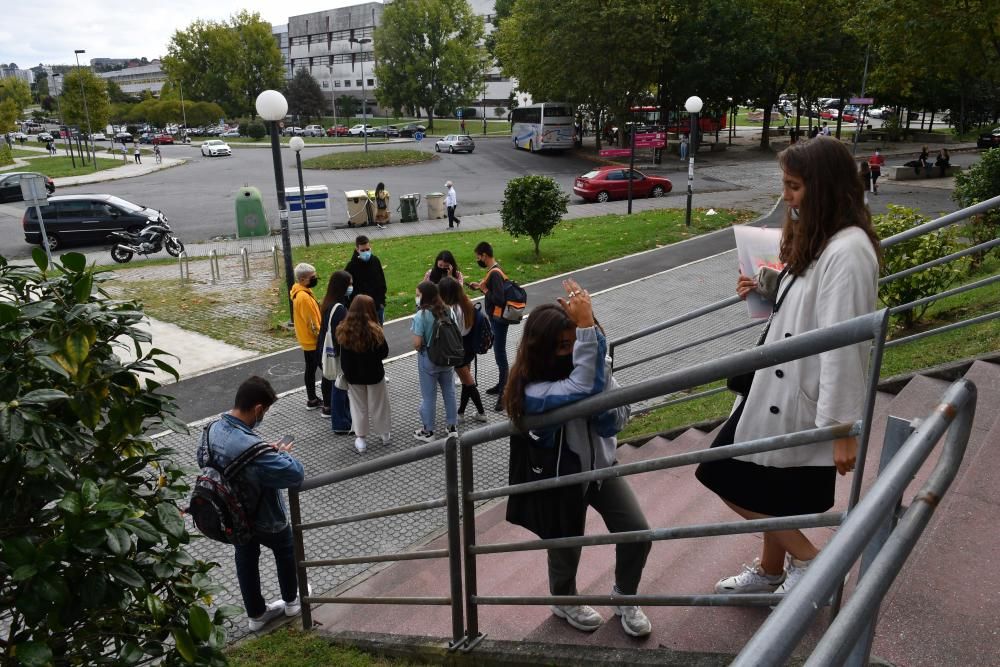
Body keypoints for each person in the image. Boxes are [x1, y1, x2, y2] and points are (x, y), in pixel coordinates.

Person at [695, 136, 880, 599]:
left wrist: (841, 426)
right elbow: (812, 296)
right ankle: (770, 571)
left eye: (794, 186)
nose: (787, 197)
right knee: (769, 491)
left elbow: (845, 338)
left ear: (825, 187)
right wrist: (769, 283)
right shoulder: (826, 238)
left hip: (801, 396)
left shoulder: (848, 251)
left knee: (722, 475)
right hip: (780, 386)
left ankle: (814, 565)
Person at [503, 279, 652, 638]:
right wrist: (588, 328)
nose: (572, 353)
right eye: (563, 347)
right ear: (541, 350)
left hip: (601, 468)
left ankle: (625, 596)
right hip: (563, 476)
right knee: (566, 544)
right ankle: (564, 598)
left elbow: (620, 411)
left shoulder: (589, 366)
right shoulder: (532, 389)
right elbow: (582, 388)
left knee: (637, 532)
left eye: (575, 344)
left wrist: (604, 413)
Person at [197, 376, 305, 632]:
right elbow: (295, 474)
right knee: (285, 551)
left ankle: (256, 615)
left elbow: (203, 460)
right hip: (266, 517)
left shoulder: (211, 429)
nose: (263, 416)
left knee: (245, 558)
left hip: (231, 515)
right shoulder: (253, 449)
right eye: (265, 411)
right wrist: (278, 454)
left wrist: (260, 453)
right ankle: (292, 602)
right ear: (258, 409)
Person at [336, 294, 391, 453]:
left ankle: (361, 438)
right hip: (374, 375)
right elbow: (384, 353)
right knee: (379, 404)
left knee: (358, 406)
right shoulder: (375, 330)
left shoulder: (343, 329)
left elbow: (344, 358)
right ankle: (384, 434)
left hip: (353, 377)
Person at [411, 280, 459, 442]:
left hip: (429, 360)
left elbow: (417, 344)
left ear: (425, 297)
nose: (416, 298)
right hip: (448, 358)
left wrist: (421, 347)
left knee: (429, 396)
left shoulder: (421, 315)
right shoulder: (448, 310)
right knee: (449, 391)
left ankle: (428, 431)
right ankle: (452, 427)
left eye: (418, 295)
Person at [466, 241, 509, 411]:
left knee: (500, 353)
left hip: (499, 319)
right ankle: (501, 384)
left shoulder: (495, 273)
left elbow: (499, 299)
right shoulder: (492, 271)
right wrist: (481, 287)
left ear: (484, 255)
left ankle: (505, 392)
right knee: (499, 353)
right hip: (496, 319)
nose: (478, 259)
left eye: (478, 256)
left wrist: (484, 290)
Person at [438, 276, 487, 423]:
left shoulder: (453, 310)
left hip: (458, 349)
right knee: (467, 381)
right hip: (469, 345)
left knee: (469, 382)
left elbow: (453, 333)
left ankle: (482, 412)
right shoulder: (466, 303)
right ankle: (461, 413)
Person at [317, 270, 353, 431]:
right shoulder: (339, 309)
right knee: (339, 388)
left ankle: (343, 419)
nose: (351, 287)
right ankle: (340, 423)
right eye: (349, 284)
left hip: (327, 351)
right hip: (337, 354)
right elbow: (342, 334)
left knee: (336, 385)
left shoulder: (328, 303)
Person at [290, 262, 323, 410]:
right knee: (325, 369)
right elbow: (312, 323)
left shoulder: (302, 292)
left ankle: (312, 399)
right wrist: (322, 337)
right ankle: (316, 399)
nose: (316, 278)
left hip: (308, 340)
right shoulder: (303, 297)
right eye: (313, 277)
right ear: (303, 279)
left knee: (312, 369)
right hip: (313, 341)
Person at [344, 235, 387, 324]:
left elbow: (382, 283)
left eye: (367, 249)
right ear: (357, 250)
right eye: (362, 250)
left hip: (377, 307)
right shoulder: (351, 266)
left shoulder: (375, 261)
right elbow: (347, 289)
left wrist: (381, 302)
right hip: (360, 311)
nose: (366, 252)